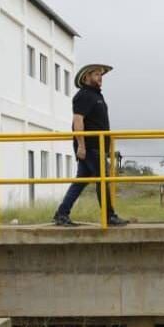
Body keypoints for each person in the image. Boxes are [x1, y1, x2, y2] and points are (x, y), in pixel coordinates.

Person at [53, 63, 131, 227]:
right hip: (90, 147)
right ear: (86, 77)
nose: (100, 77)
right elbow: (78, 120)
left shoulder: (97, 96)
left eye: (101, 75)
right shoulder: (84, 95)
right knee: (104, 178)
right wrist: (81, 146)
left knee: (80, 181)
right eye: (96, 74)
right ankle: (109, 216)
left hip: (97, 147)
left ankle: (62, 213)